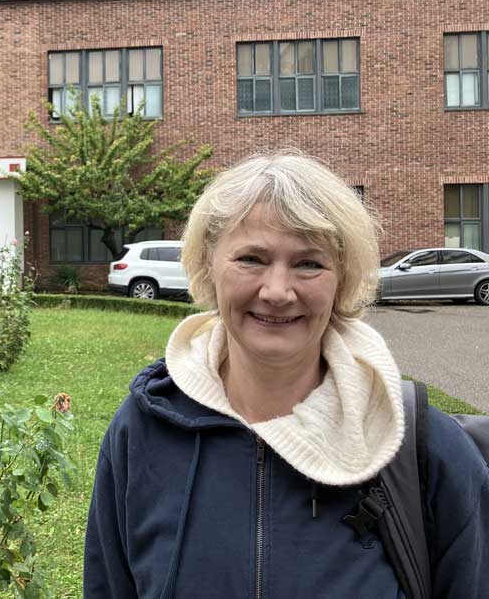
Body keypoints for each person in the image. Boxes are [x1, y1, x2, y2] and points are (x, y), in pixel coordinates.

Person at [83, 152, 489, 598]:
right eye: (252, 259)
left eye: (309, 263)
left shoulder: (423, 450)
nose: (277, 292)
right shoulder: (142, 432)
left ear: (343, 279)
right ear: (208, 265)